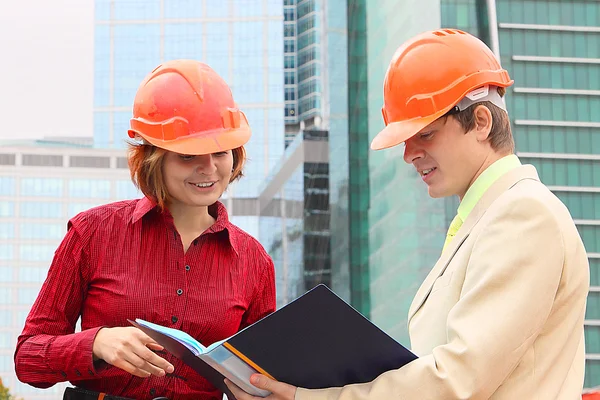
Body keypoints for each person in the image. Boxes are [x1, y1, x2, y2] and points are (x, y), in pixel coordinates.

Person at [225, 29, 590, 400]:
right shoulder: (487, 218)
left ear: (481, 121)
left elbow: (460, 376)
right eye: (405, 140)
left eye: (426, 134)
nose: (408, 154)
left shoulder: (522, 215)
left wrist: (313, 397)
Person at [14, 59, 276, 400]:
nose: (208, 168)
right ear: (154, 158)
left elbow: (263, 376)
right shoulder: (93, 232)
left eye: (220, 152)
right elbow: (28, 359)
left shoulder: (255, 261)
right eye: (188, 155)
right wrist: (97, 343)